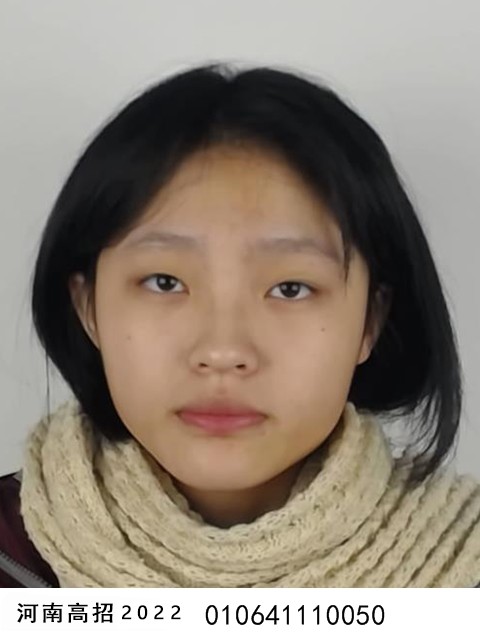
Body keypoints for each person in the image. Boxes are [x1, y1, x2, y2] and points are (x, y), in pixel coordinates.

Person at [0, 62, 479, 588]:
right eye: (164, 281)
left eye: (290, 288)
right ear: (88, 307)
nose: (223, 351)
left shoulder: (461, 562)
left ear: (371, 319)